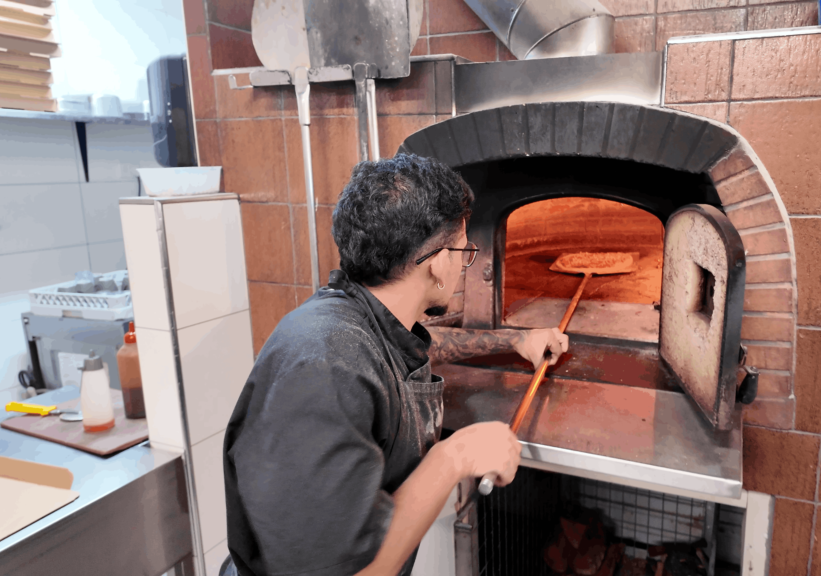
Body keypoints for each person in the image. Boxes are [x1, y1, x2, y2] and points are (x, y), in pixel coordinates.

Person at [223, 154, 569, 576]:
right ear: (440, 263)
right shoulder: (323, 369)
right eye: (464, 250)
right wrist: (455, 456)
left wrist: (517, 339)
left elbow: (415, 342)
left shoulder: (355, 320)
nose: (464, 263)